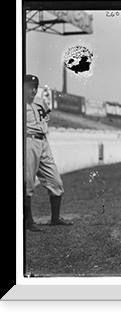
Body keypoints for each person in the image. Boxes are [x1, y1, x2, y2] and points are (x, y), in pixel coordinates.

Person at [24, 74, 73, 231]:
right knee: (27, 183)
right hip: (28, 142)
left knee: (56, 182)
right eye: (29, 87)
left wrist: (42, 126)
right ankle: (28, 221)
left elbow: (46, 116)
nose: (32, 90)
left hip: (43, 143)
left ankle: (55, 218)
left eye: (35, 87)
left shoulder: (40, 102)